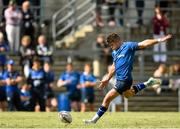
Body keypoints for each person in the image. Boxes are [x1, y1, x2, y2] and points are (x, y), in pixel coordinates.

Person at [84, 33, 172, 124]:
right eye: (109, 45)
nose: (110, 47)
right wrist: (107, 79)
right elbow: (114, 67)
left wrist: (159, 40)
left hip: (124, 80)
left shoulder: (128, 46)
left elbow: (144, 43)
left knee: (107, 99)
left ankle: (93, 121)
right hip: (120, 80)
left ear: (117, 41)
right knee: (128, 95)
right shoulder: (114, 52)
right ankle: (148, 83)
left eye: (112, 44)